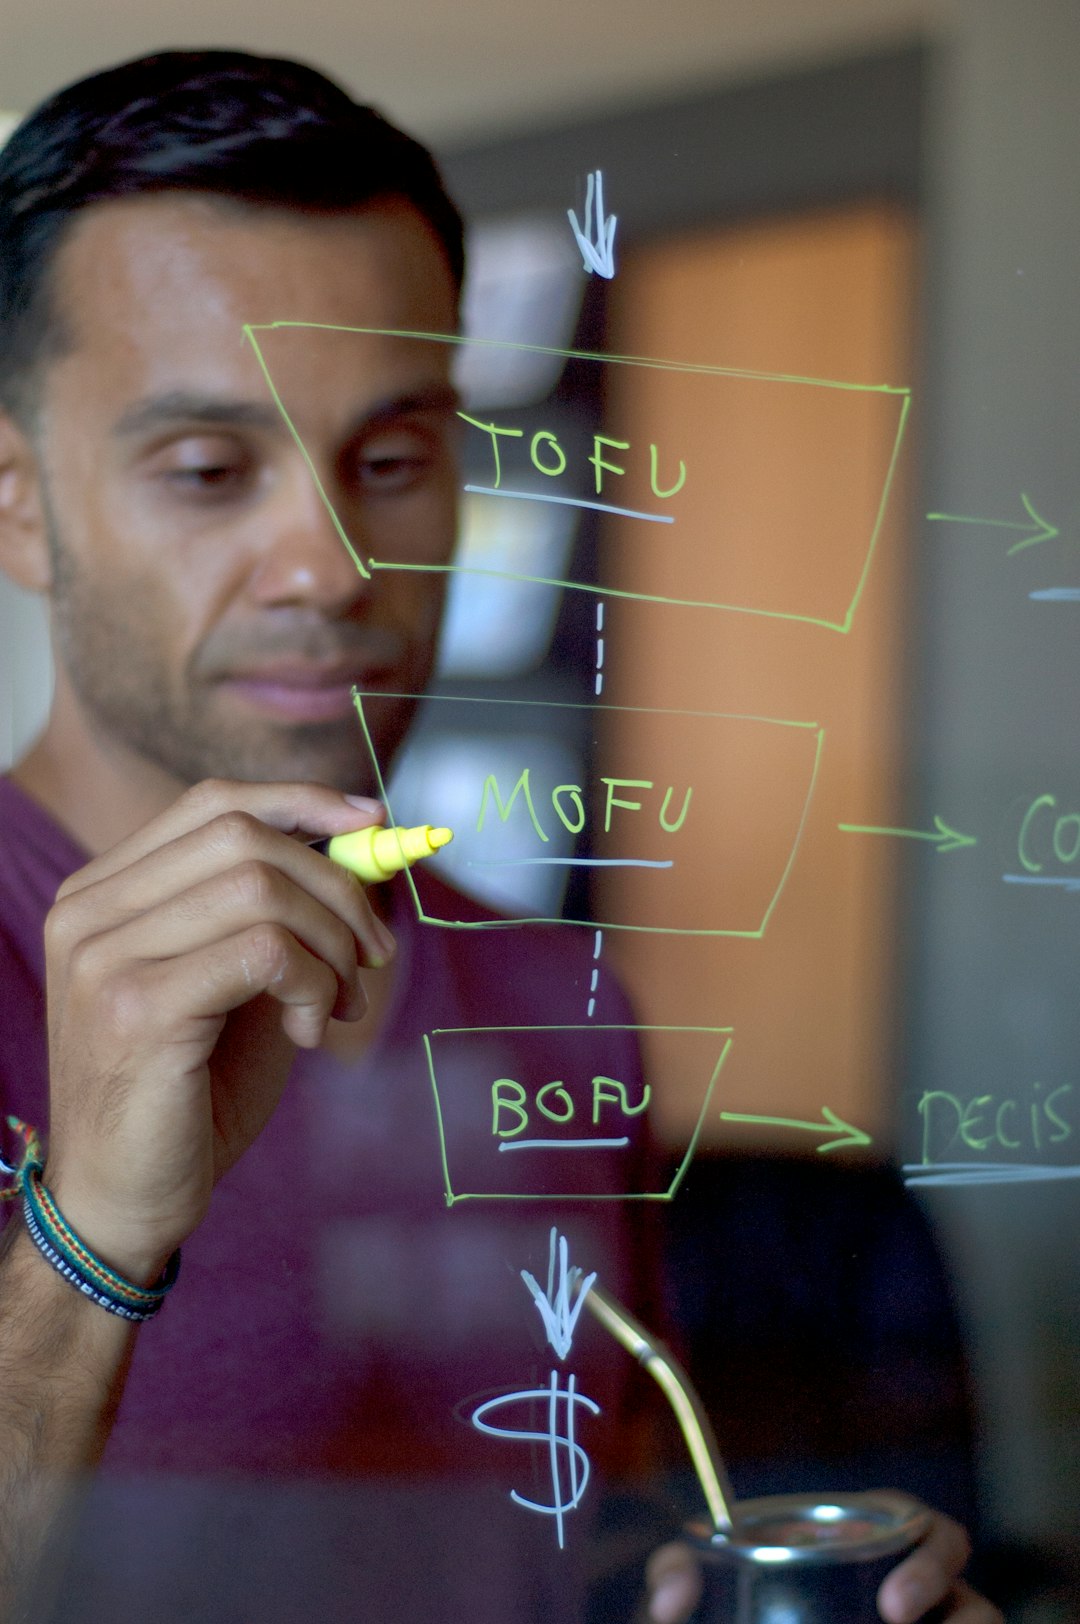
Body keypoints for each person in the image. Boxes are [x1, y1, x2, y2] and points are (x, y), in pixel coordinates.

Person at [0, 49, 997, 1624]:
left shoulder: (555, 998)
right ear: (19, 504)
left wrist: (733, 1589)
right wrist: (91, 1240)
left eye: (394, 462)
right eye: (207, 471)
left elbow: (577, 1531)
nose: (331, 566)